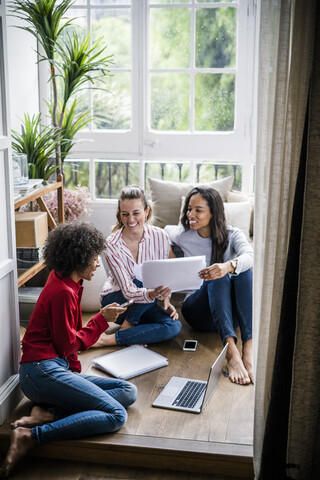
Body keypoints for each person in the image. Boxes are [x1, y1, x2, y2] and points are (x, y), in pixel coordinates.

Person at [0, 221, 137, 478]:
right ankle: (31, 435)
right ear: (79, 258)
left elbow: (67, 344)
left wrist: (73, 375)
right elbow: (68, 344)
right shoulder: (62, 292)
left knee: (128, 391)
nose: (98, 263)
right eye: (95, 258)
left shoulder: (68, 282)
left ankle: (49, 413)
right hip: (39, 372)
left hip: (52, 369)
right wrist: (101, 319)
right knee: (117, 415)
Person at [165, 186, 254, 385]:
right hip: (198, 312)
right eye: (189, 209)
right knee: (216, 276)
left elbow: (251, 256)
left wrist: (227, 266)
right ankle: (231, 352)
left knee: (242, 269)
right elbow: (164, 232)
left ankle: (248, 348)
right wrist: (171, 255)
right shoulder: (183, 234)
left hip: (231, 316)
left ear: (213, 213)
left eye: (198, 210)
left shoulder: (232, 234)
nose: (191, 215)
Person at [95, 185, 182, 348]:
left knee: (174, 326)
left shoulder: (161, 236)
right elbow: (128, 290)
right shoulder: (112, 244)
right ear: (119, 214)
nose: (130, 220)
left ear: (146, 211)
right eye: (125, 214)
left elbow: (164, 276)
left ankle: (109, 339)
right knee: (147, 282)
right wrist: (153, 294)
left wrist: (166, 299)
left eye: (136, 213)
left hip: (146, 300)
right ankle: (129, 325)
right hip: (118, 301)